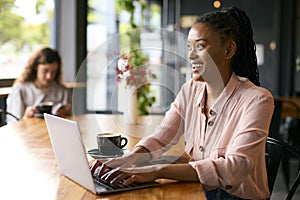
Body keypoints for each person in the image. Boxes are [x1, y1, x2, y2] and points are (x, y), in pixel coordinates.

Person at [90, 6, 274, 200]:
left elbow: (235, 168)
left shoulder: (257, 99)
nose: (191, 56)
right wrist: (131, 158)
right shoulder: (190, 90)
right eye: (189, 47)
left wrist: (158, 170)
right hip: (199, 188)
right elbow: (162, 137)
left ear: (228, 49)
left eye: (201, 46)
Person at [6, 47, 71, 121]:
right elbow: (13, 124)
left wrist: (65, 114)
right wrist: (25, 118)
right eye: (45, 71)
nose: (49, 76)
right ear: (35, 68)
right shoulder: (20, 90)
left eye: (53, 72)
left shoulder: (62, 91)